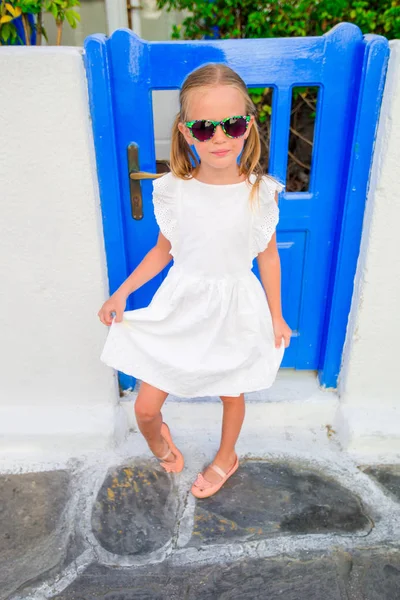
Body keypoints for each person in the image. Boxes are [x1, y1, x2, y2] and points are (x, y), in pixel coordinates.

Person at [98, 63, 292, 499]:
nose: (220, 137)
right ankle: (159, 439)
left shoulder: (260, 192)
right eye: (205, 128)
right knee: (146, 408)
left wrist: (277, 317)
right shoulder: (173, 190)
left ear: (248, 127)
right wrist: (122, 292)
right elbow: (162, 251)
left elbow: (269, 257)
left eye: (232, 124)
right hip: (182, 306)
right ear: (186, 133)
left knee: (232, 393)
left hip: (234, 306)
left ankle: (227, 456)